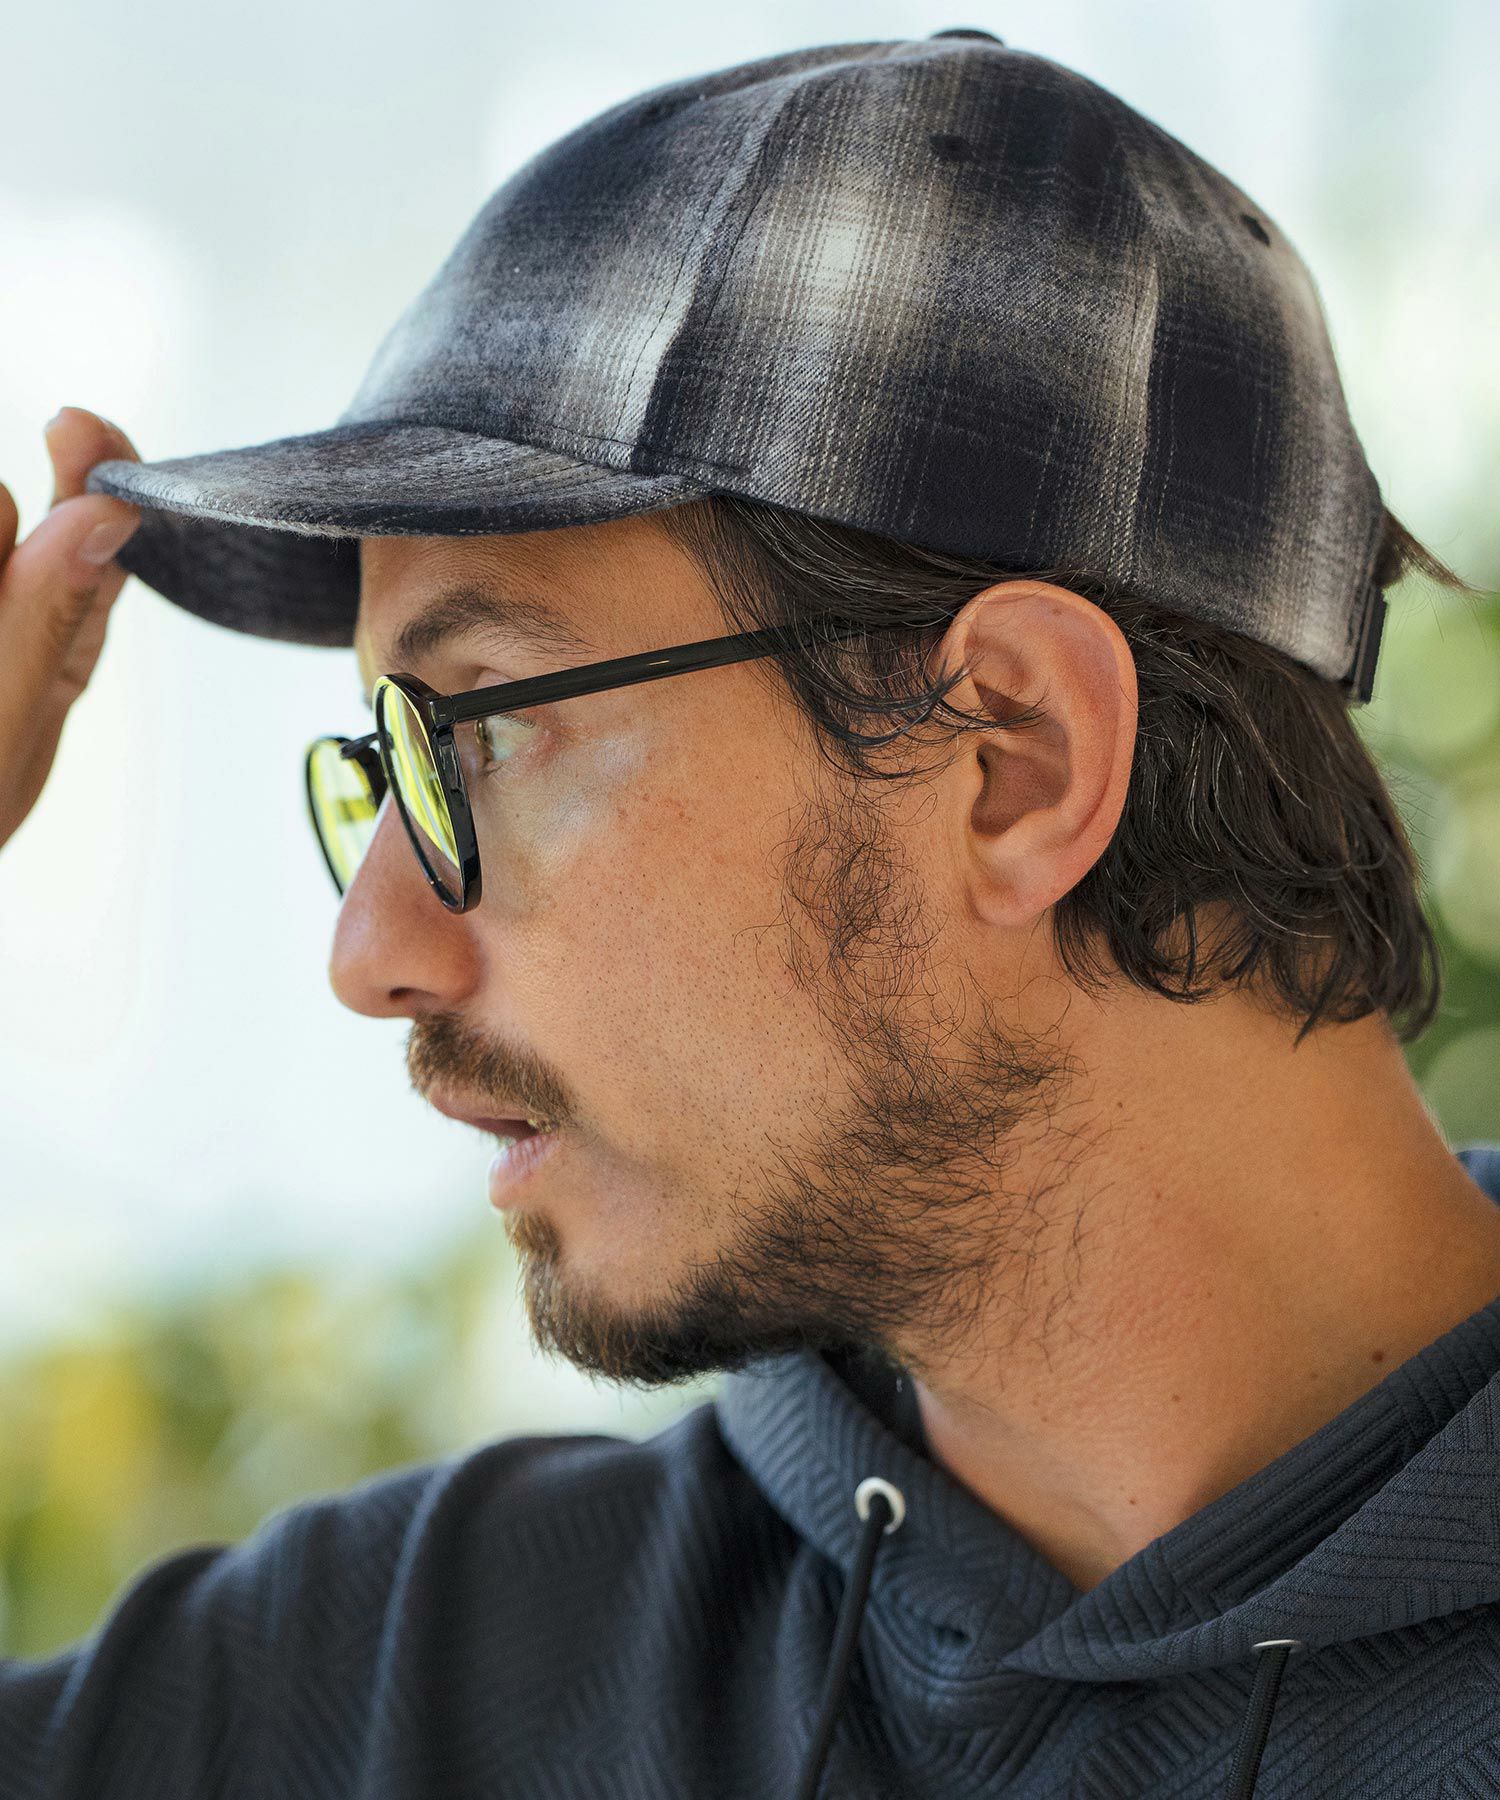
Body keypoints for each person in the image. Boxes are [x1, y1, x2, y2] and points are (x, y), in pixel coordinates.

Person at [4, 30, 1499, 1800]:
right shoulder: (406, 1677)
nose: (371, 951)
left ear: (1010, 757)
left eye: (480, 730)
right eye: (384, 764)